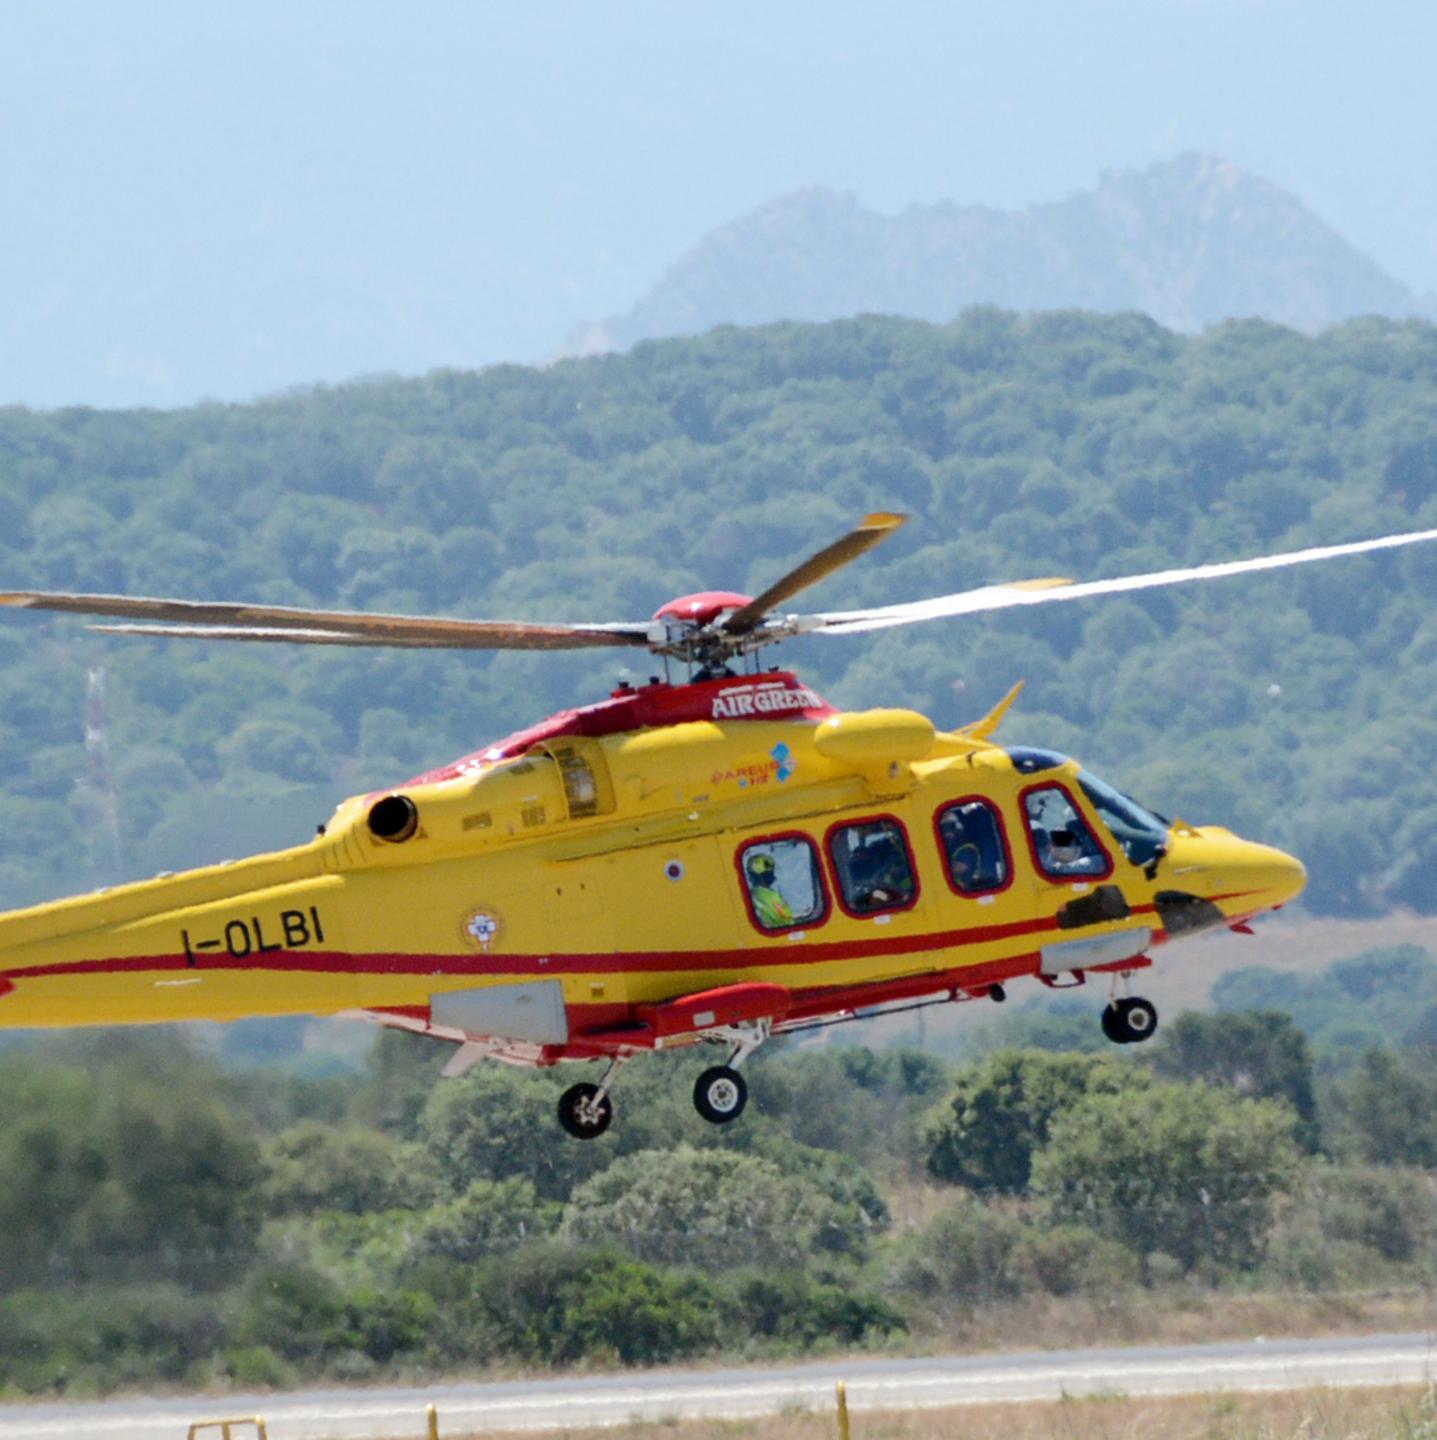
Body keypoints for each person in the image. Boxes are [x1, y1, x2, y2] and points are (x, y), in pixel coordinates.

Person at [746, 852, 794, 928]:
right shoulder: (771, 897)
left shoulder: (752, 894)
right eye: (771, 872)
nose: (773, 875)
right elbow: (788, 922)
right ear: (764, 875)